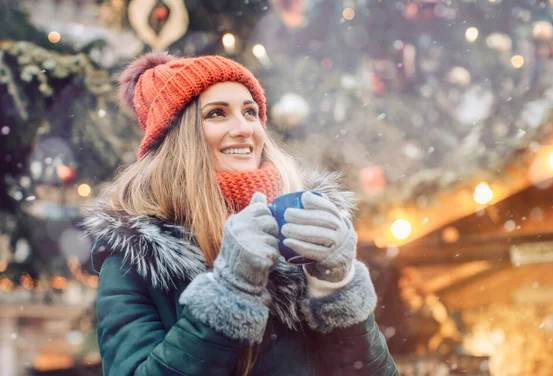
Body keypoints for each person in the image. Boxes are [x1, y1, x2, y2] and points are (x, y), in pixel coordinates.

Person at [83, 52, 399, 376]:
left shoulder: (299, 229)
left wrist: (337, 286)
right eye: (217, 113)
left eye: (250, 112)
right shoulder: (135, 256)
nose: (244, 128)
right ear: (179, 139)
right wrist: (229, 290)